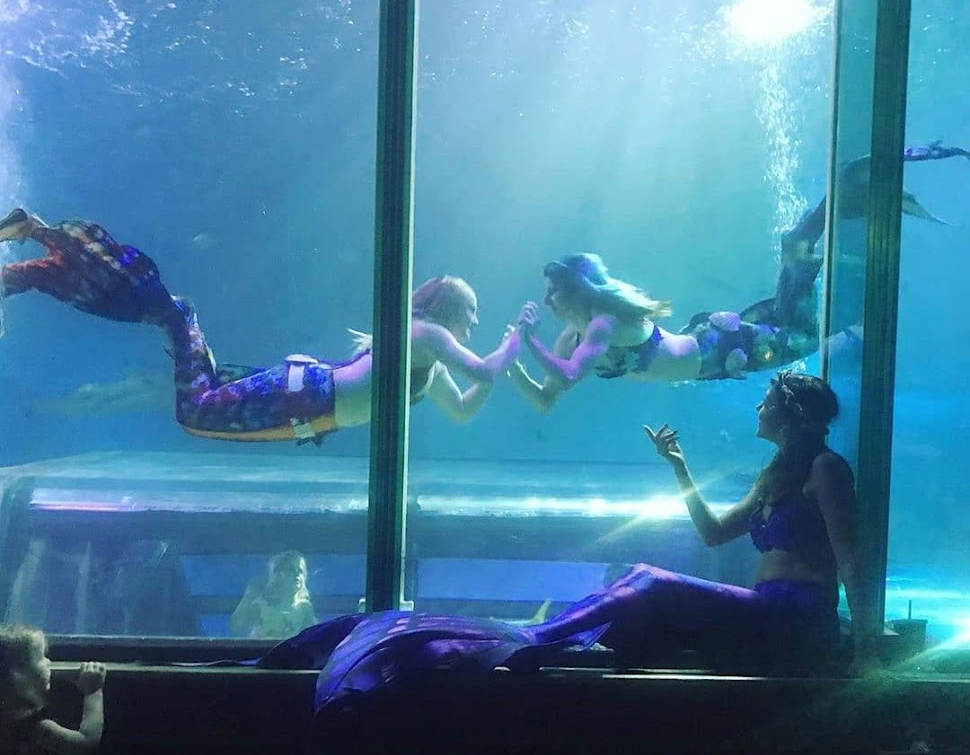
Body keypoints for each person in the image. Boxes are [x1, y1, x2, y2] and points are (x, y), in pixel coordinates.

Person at [0, 209, 525, 445]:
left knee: (197, 406)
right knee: (195, 412)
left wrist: (503, 361)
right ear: (448, 311)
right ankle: (42, 248)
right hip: (305, 399)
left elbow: (461, 411)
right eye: (471, 312)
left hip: (305, 411)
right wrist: (515, 341)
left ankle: (27, 272)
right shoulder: (424, 335)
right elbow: (484, 368)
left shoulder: (427, 366)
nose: (475, 322)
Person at [508, 144, 964, 411]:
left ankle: (839, 200)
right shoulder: (574, 336)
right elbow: (548, 398)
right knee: (795, 320)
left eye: (554, 293)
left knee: (804, 335)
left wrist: (527, 342)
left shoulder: (602, 325)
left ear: (580, 292)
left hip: (723, 350)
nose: (547, 302)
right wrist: (510, 362)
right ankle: (817, 224)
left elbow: (567, 375)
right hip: (712, 353)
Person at [0, 623, 106, 754]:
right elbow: (85, 743)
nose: (48, 662)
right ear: (18, 676)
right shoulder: (35, 728)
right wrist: (93, 692)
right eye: (41, 657)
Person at [230, 550, 317, 639]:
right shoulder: (262, 606)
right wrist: (248, 597)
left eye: (300, 570)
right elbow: (237, 627)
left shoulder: (305, 608)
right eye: (291, 569)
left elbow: (308, 638)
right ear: (277, 575)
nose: (297, 573)